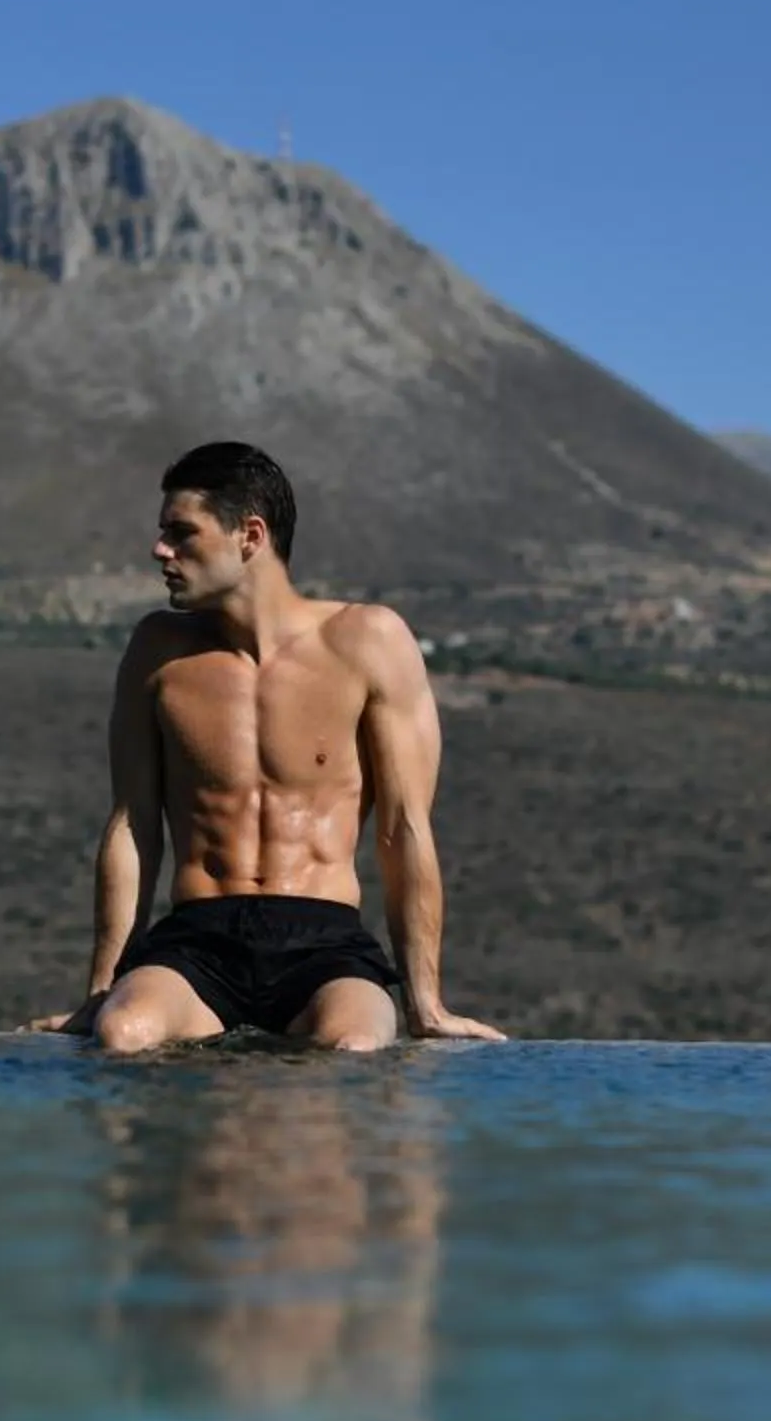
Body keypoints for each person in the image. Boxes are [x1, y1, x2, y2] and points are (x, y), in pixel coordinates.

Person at [27, 442, 504, 1051]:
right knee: (123, 1032)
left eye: (181, 533)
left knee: (353, 1044)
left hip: (325, 945)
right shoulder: (158, 650)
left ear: (249, 535)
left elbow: (404, 829)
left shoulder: (367, 641)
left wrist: (425, 1001)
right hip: (197, 941)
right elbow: (133, 825)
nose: (159, 550)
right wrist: (99, 992)